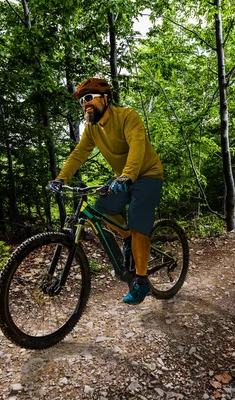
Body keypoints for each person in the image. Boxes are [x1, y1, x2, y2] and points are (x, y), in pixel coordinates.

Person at [49, 77, 163, 305]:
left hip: (147, 174)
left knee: (139, 222)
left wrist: (128, 175)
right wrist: (61, 178)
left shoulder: (127, 116)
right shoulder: (92, 129)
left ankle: (141, 281)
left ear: (105, 99)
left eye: (89, 98)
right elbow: (79, 154)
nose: (85, 104)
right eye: (82, 100)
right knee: (102, 208)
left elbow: (137, 145)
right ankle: (128, 238)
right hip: (123, 176)